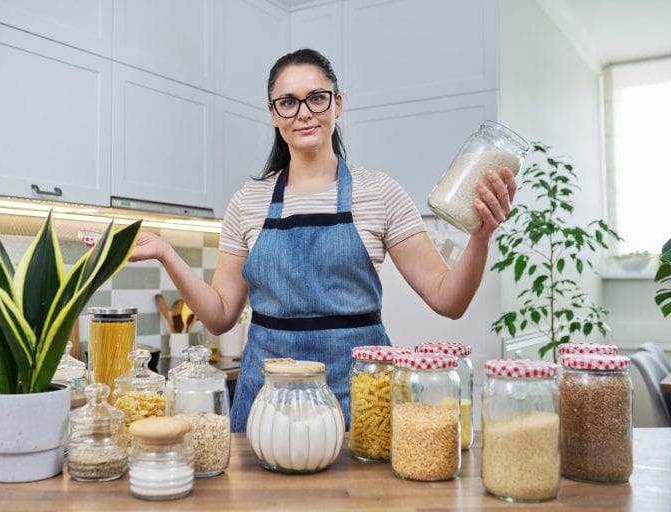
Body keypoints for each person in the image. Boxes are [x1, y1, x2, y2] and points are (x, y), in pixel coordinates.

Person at [129, 48, 516, 432]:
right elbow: (218, 317)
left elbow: (449, 301)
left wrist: (481, 238)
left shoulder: (379, 192)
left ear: (338, 104)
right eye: (288, 102)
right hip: (267, 404)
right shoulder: (248, 201)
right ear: (272, 113)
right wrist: (166, 253)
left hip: (362, 403)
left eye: (316, 98)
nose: (304, 112)